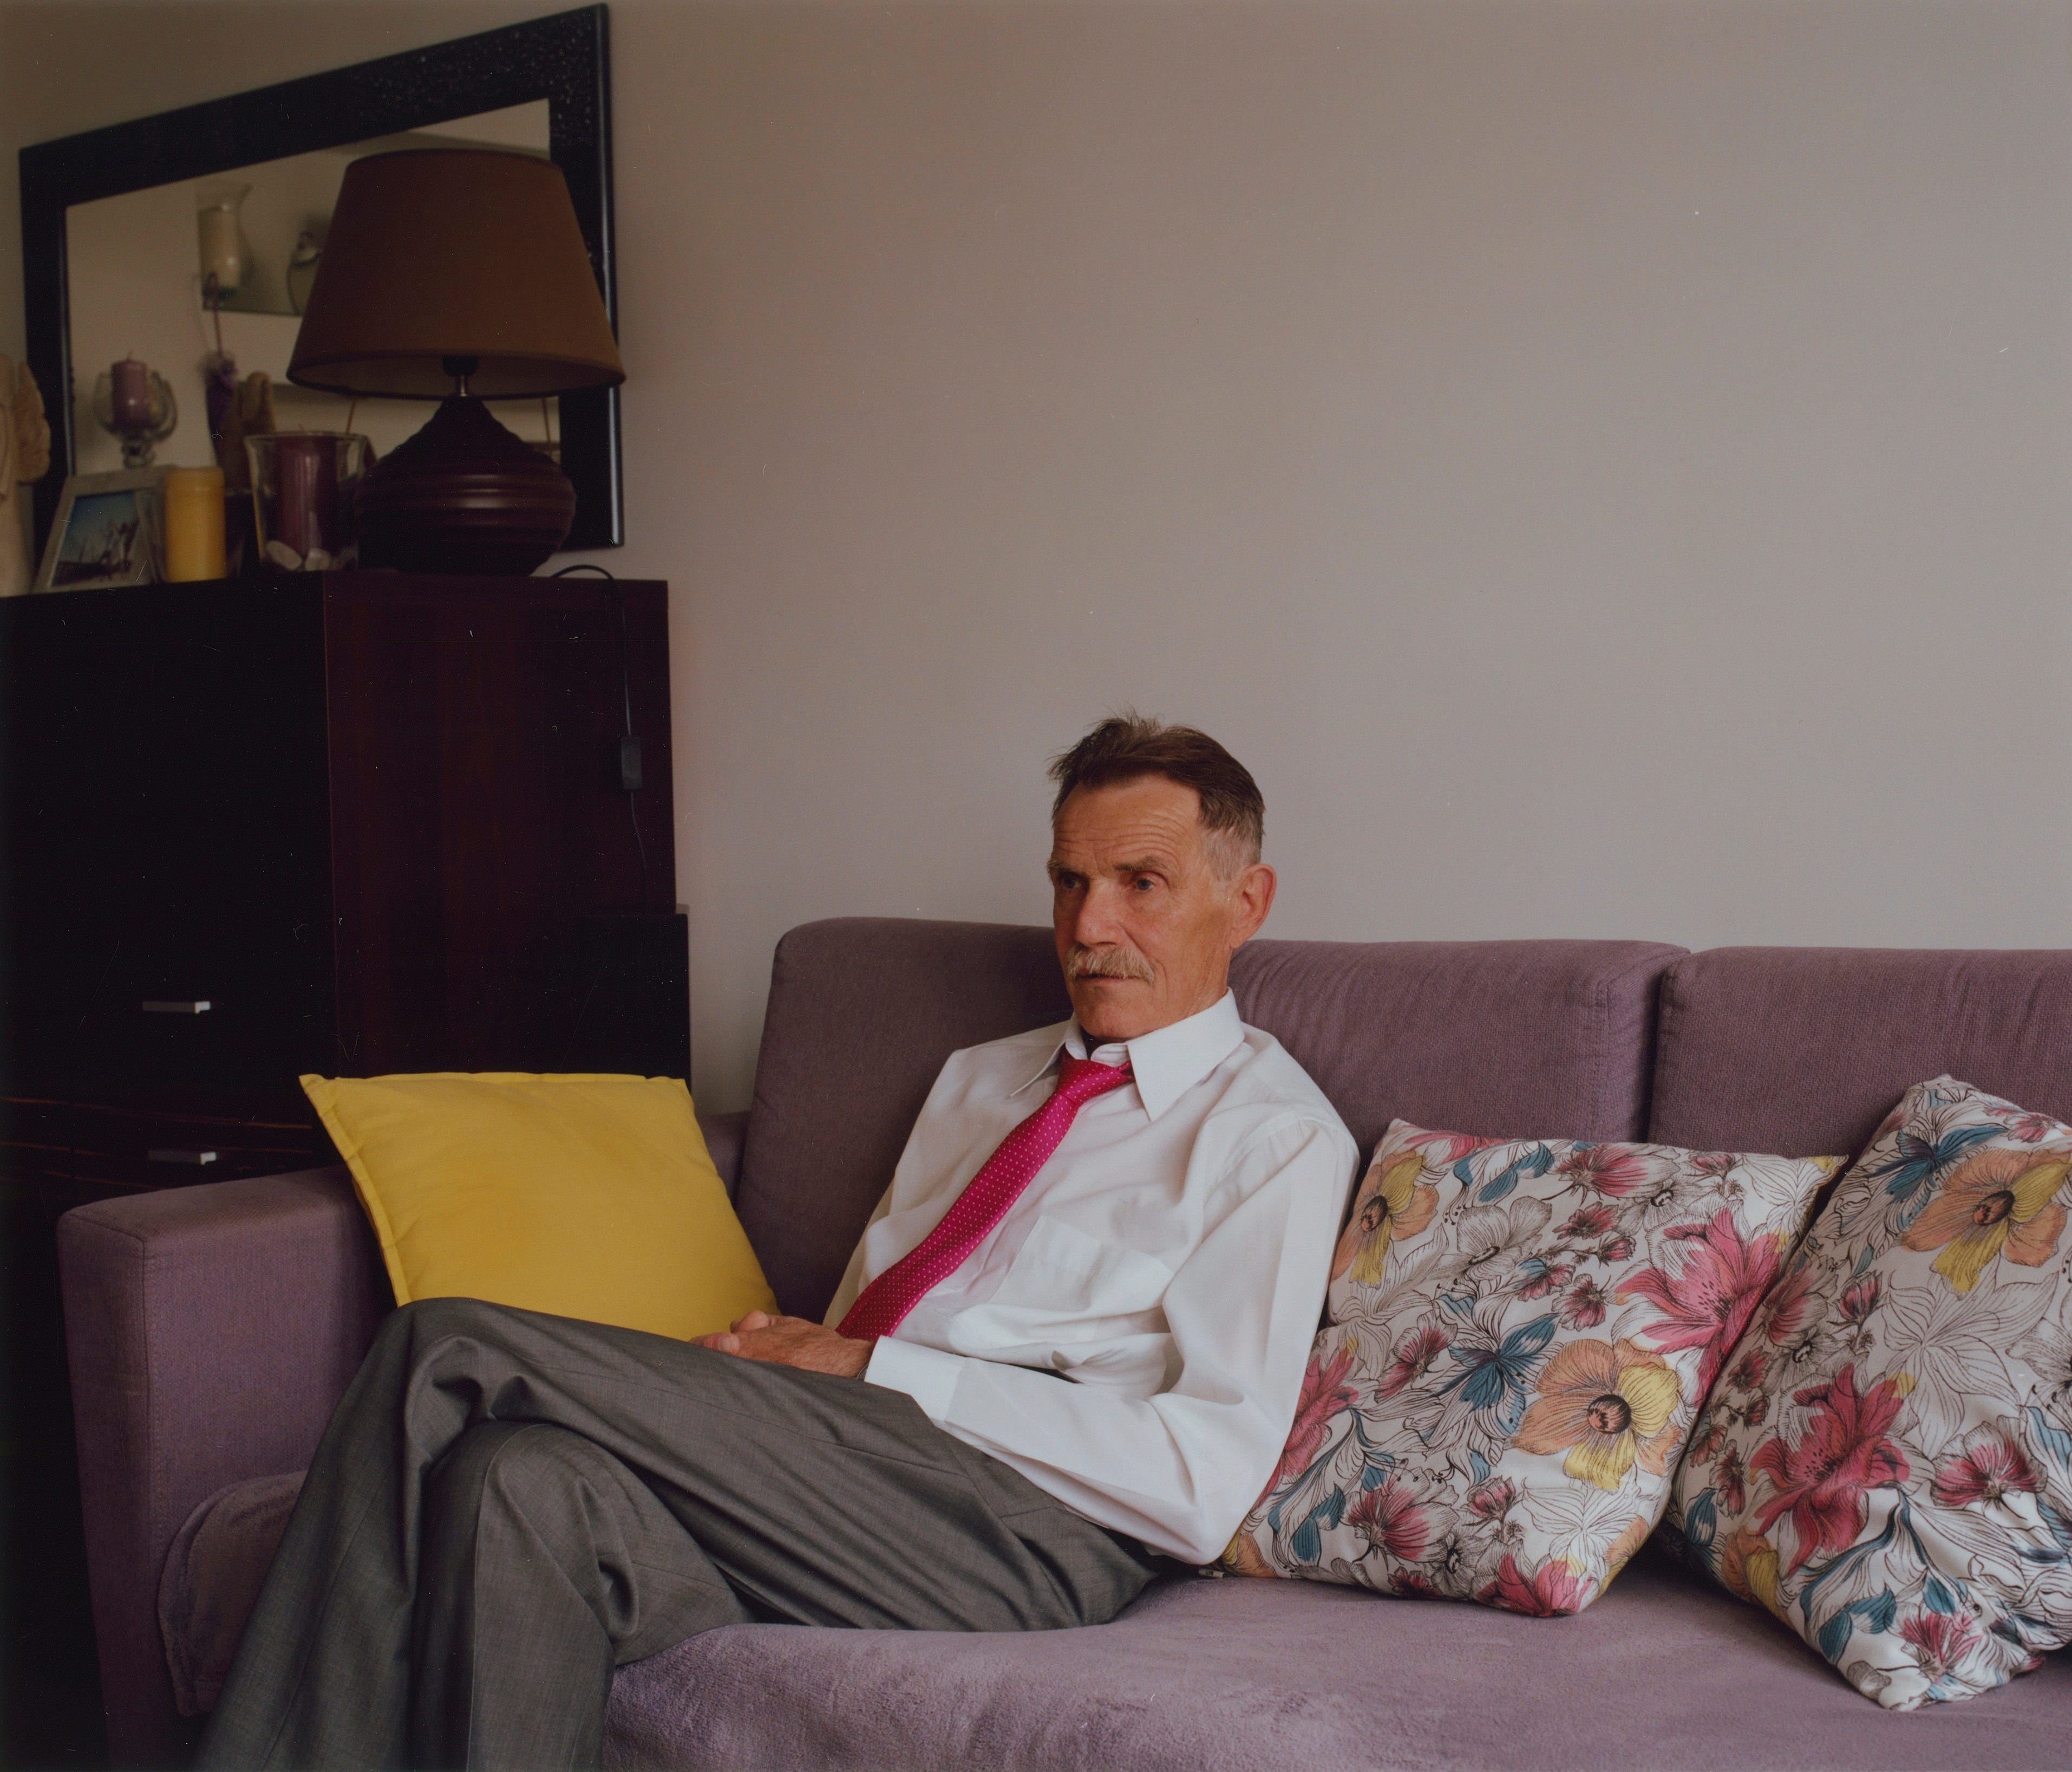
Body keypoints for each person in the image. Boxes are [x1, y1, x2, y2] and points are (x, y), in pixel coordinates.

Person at [199, 714, 1357, 1770]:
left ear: (1245, 900)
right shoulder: (983, 1079)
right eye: (1070, 881)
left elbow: (1205, 1479)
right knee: (513, 1482)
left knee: (446, 1346)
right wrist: (802, 1374)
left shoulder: (1274, 1139)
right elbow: (867, 1311)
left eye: (1140, 883)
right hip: (850, 1463)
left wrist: (870, 1368)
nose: (1090, 926)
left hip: (1029, 1527)